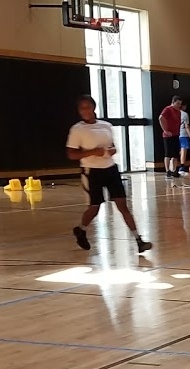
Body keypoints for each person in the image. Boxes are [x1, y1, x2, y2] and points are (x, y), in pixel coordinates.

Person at [66, 95, 152, 253]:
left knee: (122, 205)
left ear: (93, 107)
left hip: (110, 169)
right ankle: (81, 229)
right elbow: (71, 154)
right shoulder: (77, 129)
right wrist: (92, 152)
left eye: (88, 107)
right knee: (94, 208)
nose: (85, 110)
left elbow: (112, 147)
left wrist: (112, 151)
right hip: (91, 172)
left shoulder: (106, 126)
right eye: (82, 108)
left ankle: (138, 240)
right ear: (79, 111)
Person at [159, 96, 183, 178]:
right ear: (173, 102)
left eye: (180, 104)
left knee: (175, 154)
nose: (179, 105)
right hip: (168, 135)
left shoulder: (179, 112)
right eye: (177, 103)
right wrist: (165, 130)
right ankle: (167, 171)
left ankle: (174, 170)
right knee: (168, 154)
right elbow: (161, 118)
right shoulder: (168, 109)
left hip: (176, 134)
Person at [178, 104, 190, 175]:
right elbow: (187, 126)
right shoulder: (184, 114)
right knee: (184, 150)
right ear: (184, 106)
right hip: (183, 134)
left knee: (180, 151)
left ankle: (173, 168)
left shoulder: (175, 113)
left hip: (176, 134)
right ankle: (182, 167)